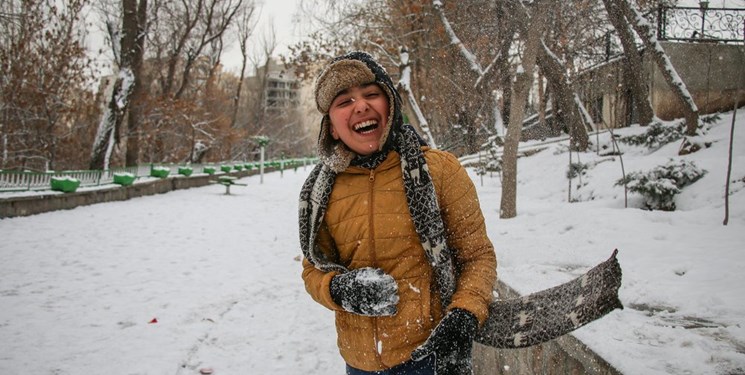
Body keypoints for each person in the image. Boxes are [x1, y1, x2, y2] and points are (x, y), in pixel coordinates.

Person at [299, 51, 497, 375]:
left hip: (432, 357)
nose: (361, 106)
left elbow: (477, 256)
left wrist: (465, 314)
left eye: (371, 94)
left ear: (390, 105)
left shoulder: (439, 170)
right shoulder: (320, 192)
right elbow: (313, 269)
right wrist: (337, 289)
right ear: (332, 128)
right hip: (359, 364)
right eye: (344, 101)